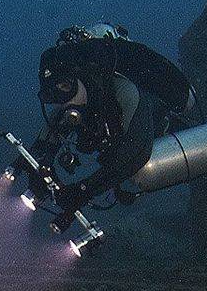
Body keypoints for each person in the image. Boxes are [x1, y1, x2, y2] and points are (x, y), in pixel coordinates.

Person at [16, 24, 194, 230]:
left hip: (168, 137)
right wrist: (36, 169)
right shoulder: (74, 104)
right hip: (127, 153)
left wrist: (83, 190)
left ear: (80, 77)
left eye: (66, 87)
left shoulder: (124, 91)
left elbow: (135, 152)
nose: (63, 101)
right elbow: (47, 139)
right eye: (54, 95)